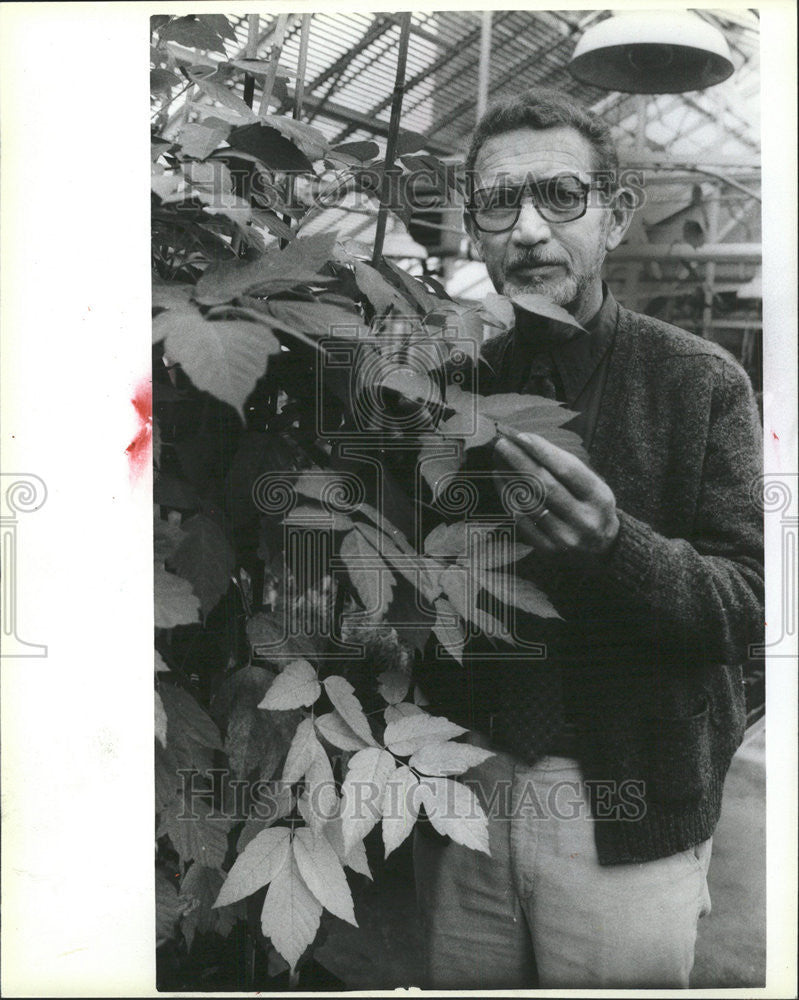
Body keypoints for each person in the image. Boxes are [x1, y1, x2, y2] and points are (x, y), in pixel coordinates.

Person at [412, 88, 764, 989]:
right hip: (465, 788)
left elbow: (755, 607)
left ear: (613, 214)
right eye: (498, 203)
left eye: (560, 197)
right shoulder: (444, 387)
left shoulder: (700, 384)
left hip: (629, 804)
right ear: (473, 229)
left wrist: (617, 549)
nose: (527, 229)